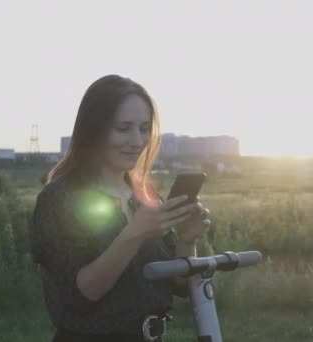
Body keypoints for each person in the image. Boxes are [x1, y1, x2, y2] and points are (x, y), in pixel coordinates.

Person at [29, 75, 211, 342]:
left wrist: (187, 238)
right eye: (123, 128)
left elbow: (179, 284)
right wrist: (134, 234)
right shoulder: (59, 199)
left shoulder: (145, 197)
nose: (137, 141)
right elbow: (83, 294)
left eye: (144, 128)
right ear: (94, 130)